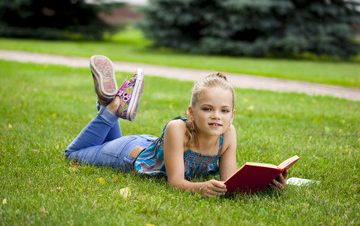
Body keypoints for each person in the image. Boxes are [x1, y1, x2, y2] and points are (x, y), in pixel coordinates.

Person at [65, 55, 287, 197]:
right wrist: (201, 188)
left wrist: (266, 183)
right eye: (207, 109)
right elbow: (176, 182)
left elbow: (229, 180)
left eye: (224, 111)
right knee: (72, 154)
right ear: (191, 112)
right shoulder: (177, 128)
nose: (216, 116)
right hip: (128, 153)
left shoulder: (228, 134)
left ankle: (110, 103)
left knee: (101, 139)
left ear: (232, 115)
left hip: (153, 145)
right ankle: (112, 108)